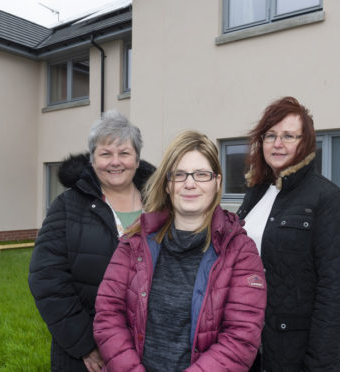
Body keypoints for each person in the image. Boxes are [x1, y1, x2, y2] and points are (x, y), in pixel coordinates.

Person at [94, 130, 266, 371]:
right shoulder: (134, 242)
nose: (189, 183)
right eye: (180, 175)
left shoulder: (239, 251)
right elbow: (108, 315)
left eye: (201, 175)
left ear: (217, 183)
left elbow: (241, 338)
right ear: (167, 184)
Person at [237, 97, 340, 371]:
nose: (277, 143)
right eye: (270, 135)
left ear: (305, 143)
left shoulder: (330, 201)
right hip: (254, 345)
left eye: (288, 136)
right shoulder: (256, 194)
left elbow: (337, 298)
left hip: (298, 354)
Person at [28, 110, 155, 372]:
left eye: (124, 153)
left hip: (149, 346)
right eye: (105, 154)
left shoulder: (160, 204)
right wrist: (85, 345)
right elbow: (47, 279)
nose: (115, 162)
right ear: (92, 159)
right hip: (87, 353)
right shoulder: (67, 206)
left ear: (137, 158)